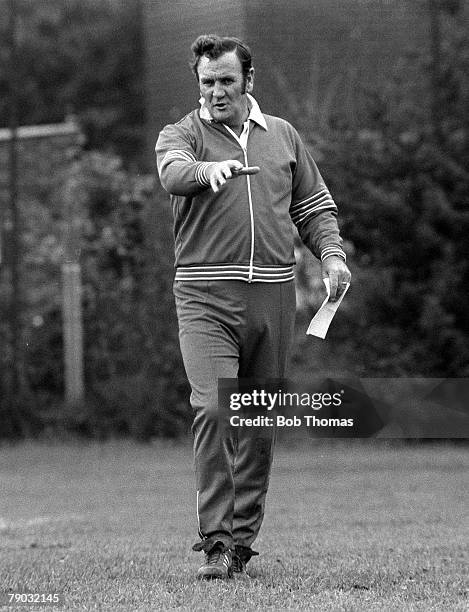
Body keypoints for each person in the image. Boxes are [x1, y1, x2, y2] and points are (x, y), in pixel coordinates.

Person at [155, 34, 351, 580]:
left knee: (258, 422)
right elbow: (172, 171)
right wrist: (204, 173)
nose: (216, 92)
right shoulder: (182, 134)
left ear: (249, 81)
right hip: (204, 294)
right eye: (207, 82)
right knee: (216, 408)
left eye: (226, 81)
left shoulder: (282, 136)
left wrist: (331, 256)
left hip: (273, 293)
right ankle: (214, 540)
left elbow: (313, 206)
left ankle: (241, 543)